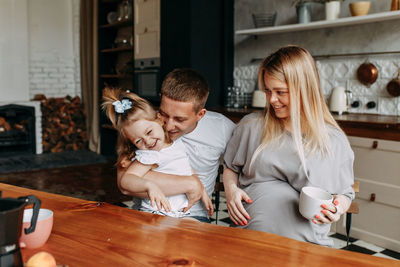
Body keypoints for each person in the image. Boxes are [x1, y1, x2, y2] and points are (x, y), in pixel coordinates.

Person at [223, 45, 355, 246]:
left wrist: (338, 209)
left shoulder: (332, 141)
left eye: (280, 92)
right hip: (247, 241)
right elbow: (230, 167)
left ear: (305, 89)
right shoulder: (251, 126)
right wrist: (231, 190)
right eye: (267, 91)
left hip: (306, 247)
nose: (272, 100)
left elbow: (345, 193)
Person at [119, 68, 236, 222]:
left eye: (180, 119)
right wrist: (191, 184)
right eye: (164, 114)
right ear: (160, 99)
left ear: (200, 114)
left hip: (192, 214)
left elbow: (241, 166)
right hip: (150, 212)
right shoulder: (145, 125)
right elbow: (124, 183)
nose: (167, 127)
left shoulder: (222, 128)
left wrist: (229, 190)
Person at [102, 87, 213, 218]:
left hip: (178, 213)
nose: (148, 142)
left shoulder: (176, 144)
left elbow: (188, 170)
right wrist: (149, 186)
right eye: (138, 141)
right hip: (156, 212)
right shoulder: (150, 155)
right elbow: (126, 180)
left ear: (160, 120)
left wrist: (202, 191)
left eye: (149, 132)